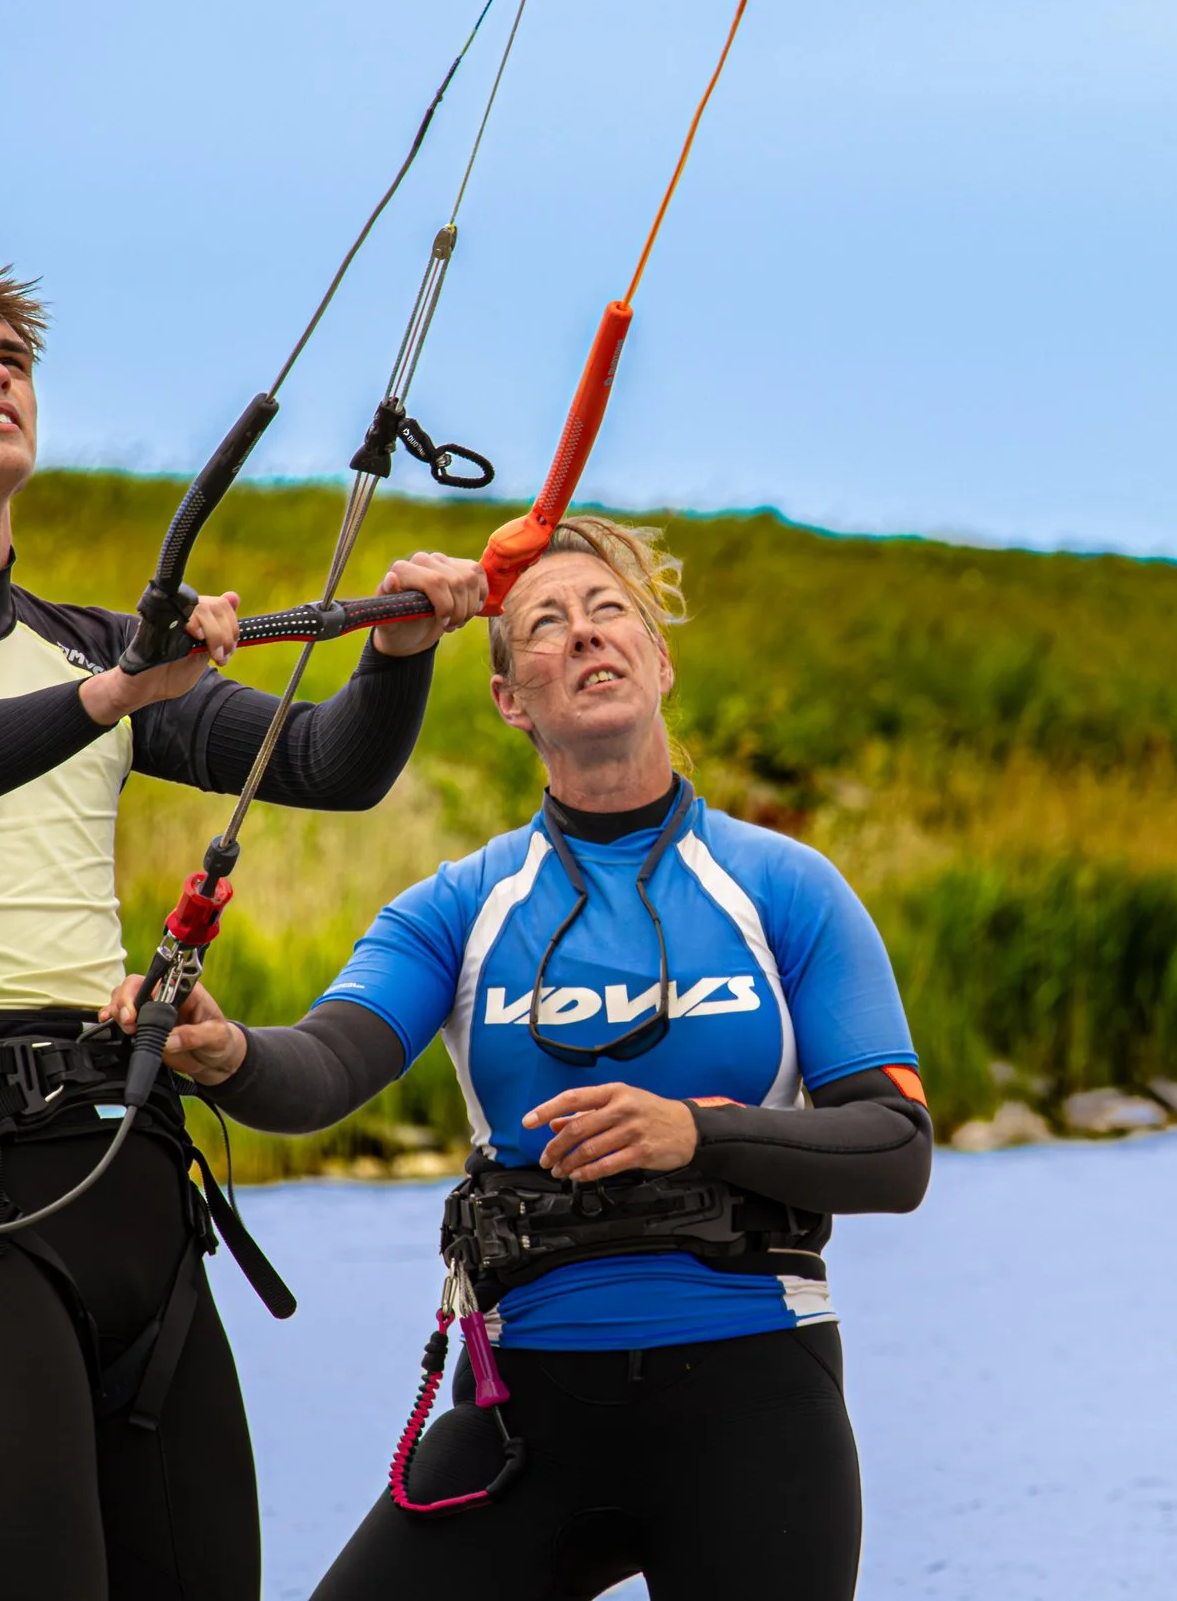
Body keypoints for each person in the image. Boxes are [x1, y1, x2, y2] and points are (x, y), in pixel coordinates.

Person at [0, 264, 489, 1601]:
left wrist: (401, 649)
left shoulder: (80, 645)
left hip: (130, 1177)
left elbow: (328, 760)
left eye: (12, 352)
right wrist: (111, 692)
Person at [115, 516, 932, 1600]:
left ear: (659, 659)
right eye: (546, 624)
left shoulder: (784, 886)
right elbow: (323, 1068)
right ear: (511, 698)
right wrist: (221, 1053)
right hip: (525, 1417)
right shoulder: (461, 906)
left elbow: (896, 1149)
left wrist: (697, 1129)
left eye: (610, 613)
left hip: (754, 1400)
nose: (587, 636)